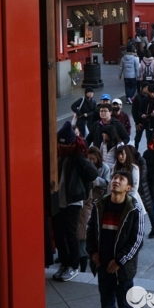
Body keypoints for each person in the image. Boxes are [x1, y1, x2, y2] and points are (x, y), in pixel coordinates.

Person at [86, 170, 145, 308]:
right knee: (107, 306)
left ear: (128, 187)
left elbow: (137, 240)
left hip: (123, 270)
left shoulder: (134, 209)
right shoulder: (99, 204)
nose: (116, 181)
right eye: (114, 178)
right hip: (103, 265)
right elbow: (90, 230)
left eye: (121, 179)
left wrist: (119, 261)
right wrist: (92, 252)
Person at [52, 120, 97, 282]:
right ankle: (64, 263)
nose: (63, 148)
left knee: (70, 234)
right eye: (60, 145)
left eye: (66, 145)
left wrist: (79, 159)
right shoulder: (56, 153)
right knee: (58, 234)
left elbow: (92, 175)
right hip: (57, 199)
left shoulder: (79, 155)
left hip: (73, 201)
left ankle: (73, 265)